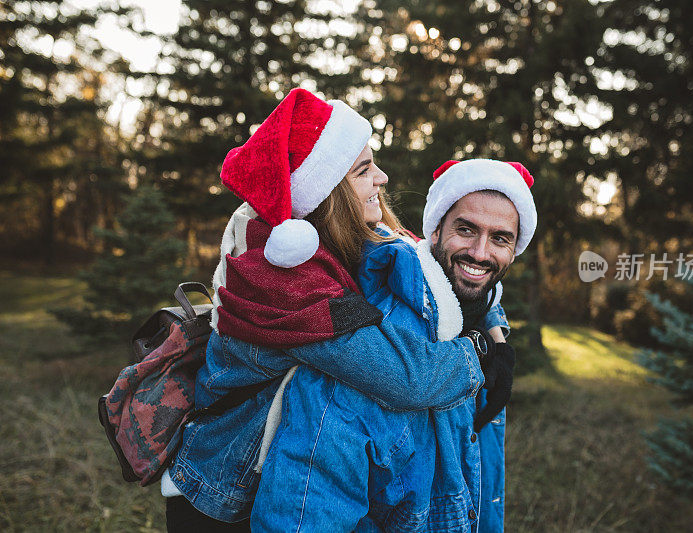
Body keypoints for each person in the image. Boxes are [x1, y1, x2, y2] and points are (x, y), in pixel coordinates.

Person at [162, 89, 506, 531]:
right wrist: (478, 357)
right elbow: (406, 378)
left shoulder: (333, 239)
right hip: (221, 493)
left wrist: (493, 321)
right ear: (327, 189)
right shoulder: (287, 281)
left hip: (274, 470)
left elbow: (437, 267)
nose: (381, 178)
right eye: (364, 169)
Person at [252, 158, 537, 531]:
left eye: (501, 238)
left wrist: (493, 334)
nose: (481, 252)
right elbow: (304, 515)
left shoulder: (478, 319)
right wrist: (484, 347)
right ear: (434, 232)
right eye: (466, 230)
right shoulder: (380, 353)